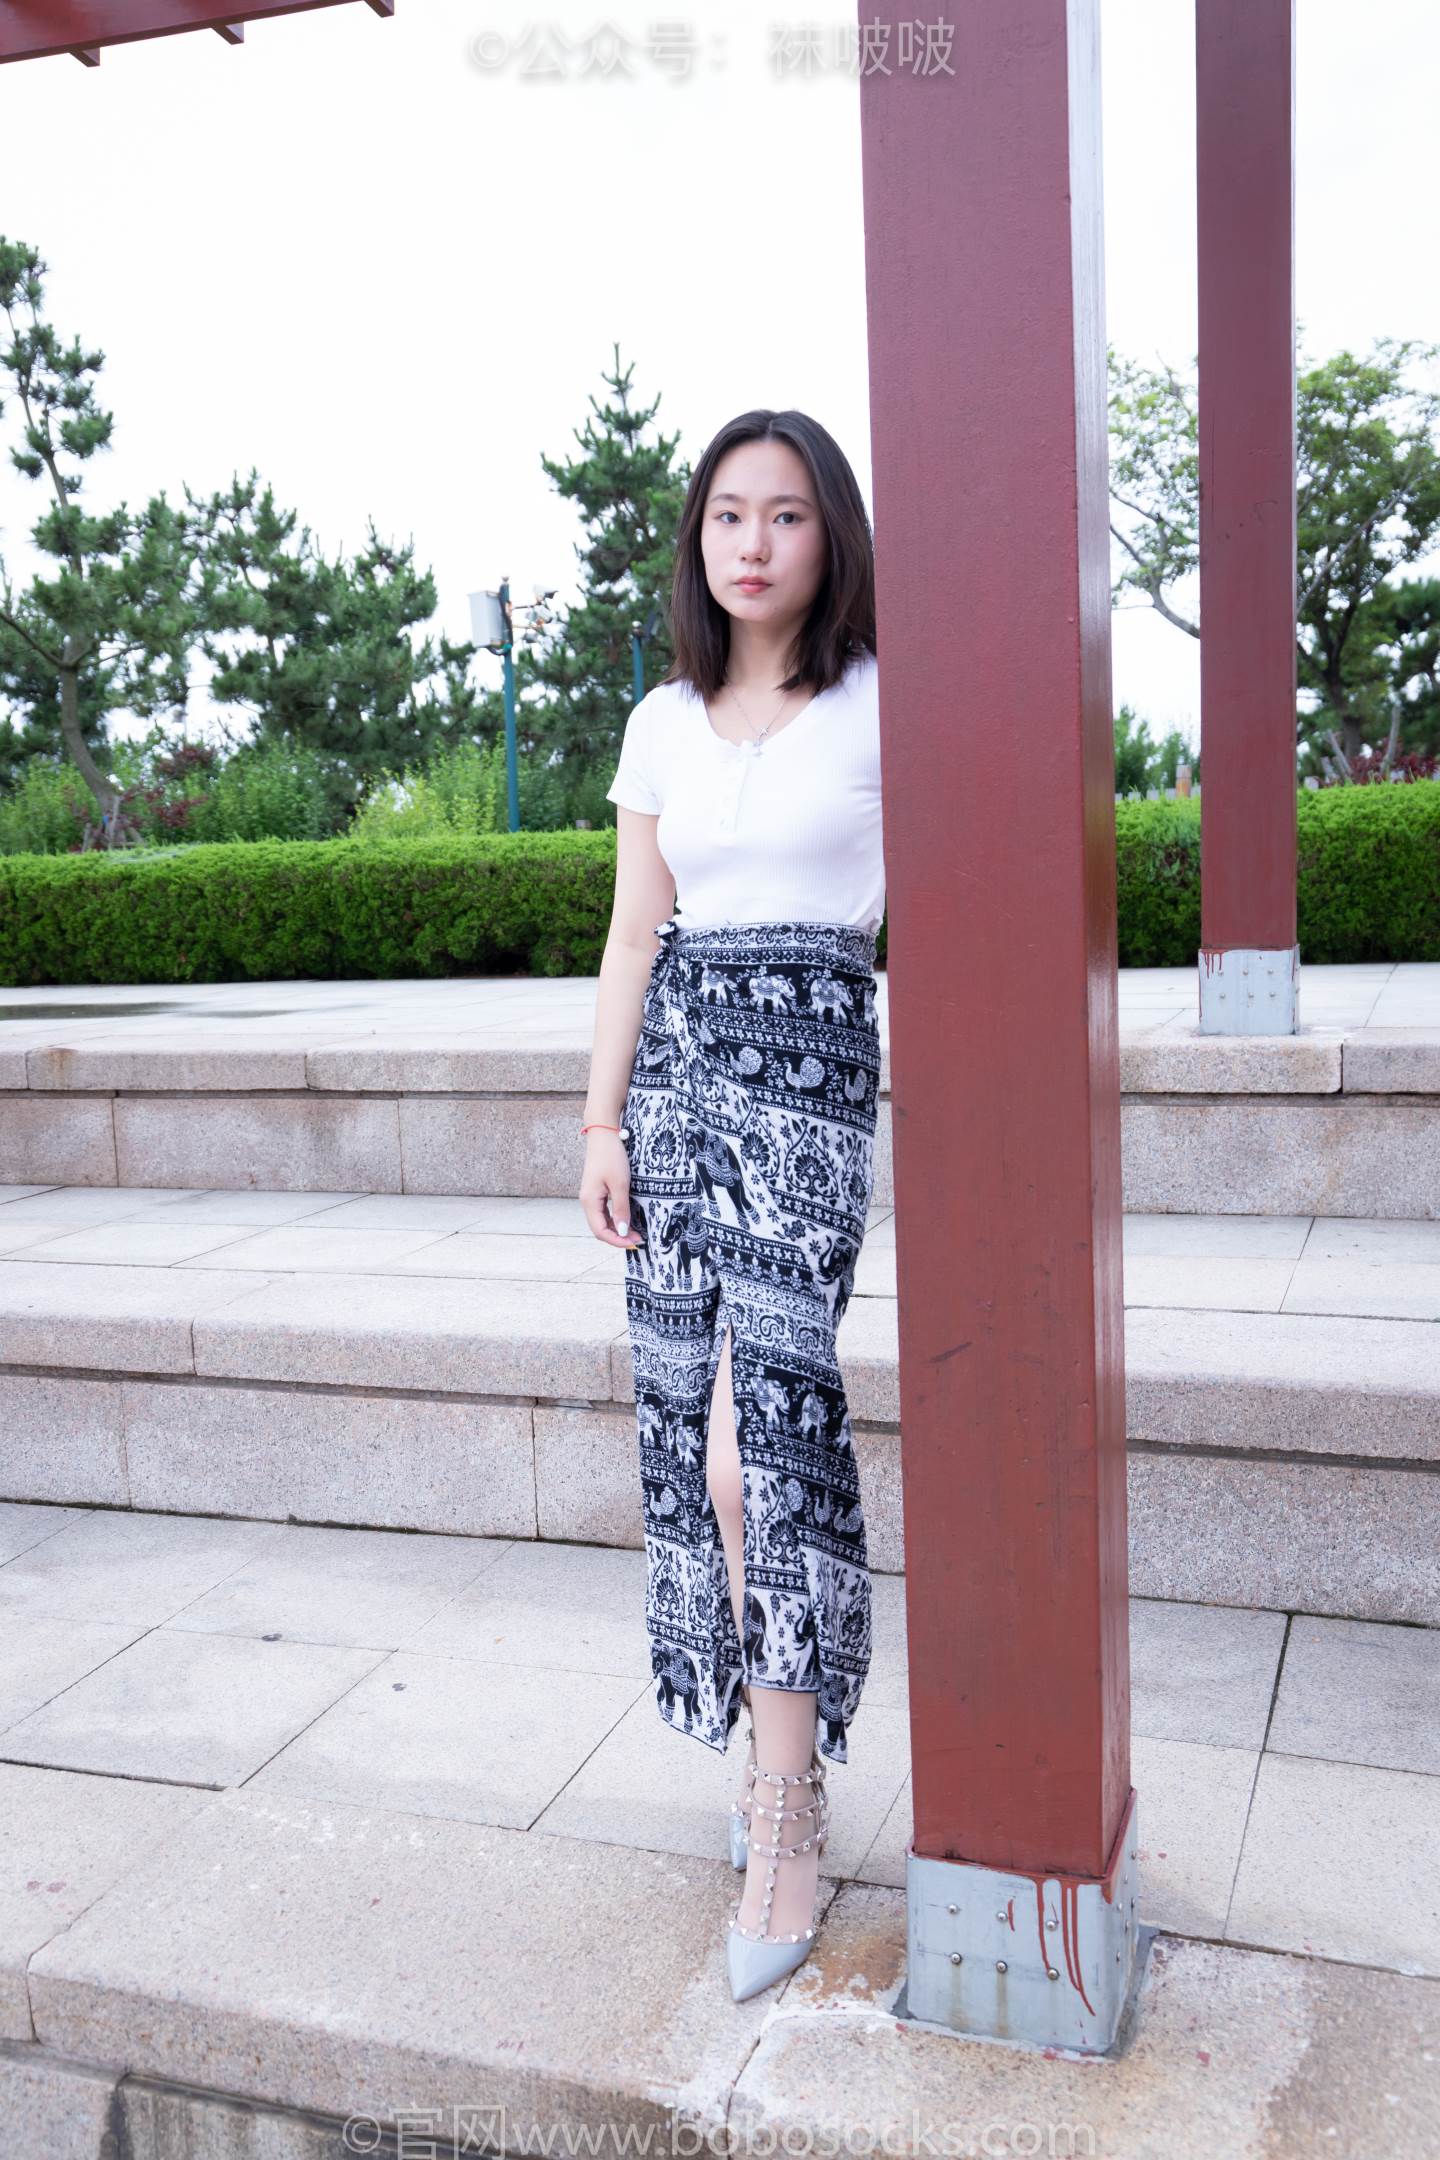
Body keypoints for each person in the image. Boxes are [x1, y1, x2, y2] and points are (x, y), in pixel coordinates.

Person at [579, 409, 884, 2004]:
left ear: (832, 535)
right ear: (698, 540)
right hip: (679, 1089)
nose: (752, 542)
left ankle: (786, 1811)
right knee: (688, 1440)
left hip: (812, 1091)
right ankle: (774, 1744)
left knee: (757, 1446)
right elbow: (637, 933)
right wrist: (600, 1122)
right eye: (725, 515)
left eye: (785, 513)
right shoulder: (661, 721)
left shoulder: (885, 703)